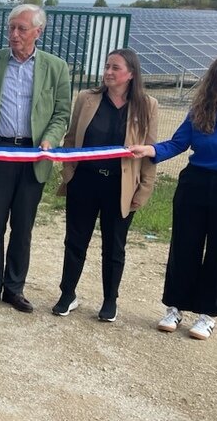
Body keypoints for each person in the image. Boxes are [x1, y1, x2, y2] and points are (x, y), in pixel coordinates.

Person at [129, 49, 217, 340]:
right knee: (185, 247)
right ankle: (174, 308)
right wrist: (152, 150)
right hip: (194, 185)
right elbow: (179, 143)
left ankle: (208, 315)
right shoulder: (203, 107)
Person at [0, 3, 71, 313]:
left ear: (38, 32)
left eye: (22, 29)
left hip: (34, 154)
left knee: (23, 225)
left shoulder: (56, 67)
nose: (14, 34)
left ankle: (14, 288)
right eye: (11, 28)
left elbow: (61, 112)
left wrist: (50, 139)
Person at [53, 49, 158, 322]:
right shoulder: (87, 99)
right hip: (84, 183)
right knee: (75, 241)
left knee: (114, 246)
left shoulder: (147, 106)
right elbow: (71, 137)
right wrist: (69, 173)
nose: (109, 72)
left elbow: (150, 152)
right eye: (107, 66)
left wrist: (144, 189)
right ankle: (68, 294)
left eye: (116, 67)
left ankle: (110, 300)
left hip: (120, 188)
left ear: (131, 74)